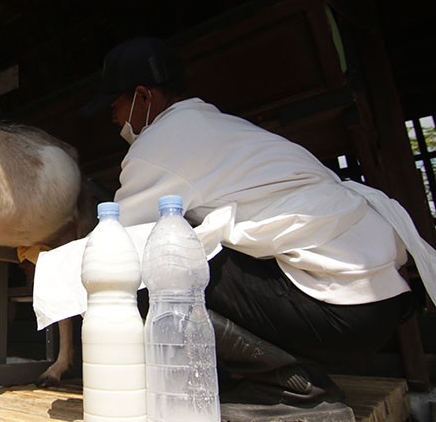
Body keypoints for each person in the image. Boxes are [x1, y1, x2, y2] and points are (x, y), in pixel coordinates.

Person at [81, 36, 435, 407]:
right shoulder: (219, 126)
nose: (114, 118)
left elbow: (120, 244)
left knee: (152, 264)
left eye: (116, 105)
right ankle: (262, 374)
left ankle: (288, 383)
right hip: (375, 305)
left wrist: (49, 260)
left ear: (144, 97)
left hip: (341, 309)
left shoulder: (159, 145)